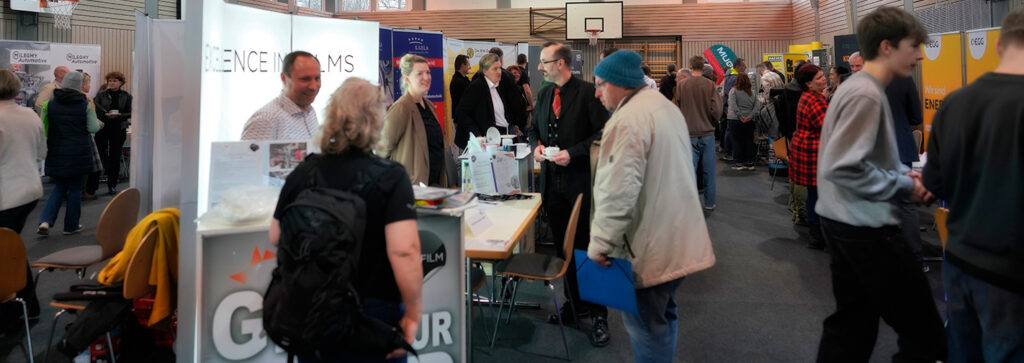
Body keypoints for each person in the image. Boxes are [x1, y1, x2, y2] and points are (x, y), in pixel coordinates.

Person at [814, 7, 945, 362]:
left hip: (845, 221)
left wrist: (900, 176)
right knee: (926, 335)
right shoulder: (865, 94)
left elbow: (849, 161)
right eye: (913, 46)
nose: (919, 55)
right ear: (887, 46)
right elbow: (844, 168)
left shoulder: (856, 88)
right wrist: (904, 185)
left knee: (851, 329)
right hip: (865, 229)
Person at [269, 77, 423, 363]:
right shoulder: (390, 175)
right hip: (372, 312)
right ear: (377, 118)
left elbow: (276, 235)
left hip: (312, 310)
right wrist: (413, 314)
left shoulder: (305, 172)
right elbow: (405, 250)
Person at [589, 49, 715, 363]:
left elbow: (617, 190)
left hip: (650, 242)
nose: (597, 92)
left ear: (621, 84)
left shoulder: (628, 120)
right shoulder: (663, 107)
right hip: (677, 233)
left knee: (646, 327)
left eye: (601, 84)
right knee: (663, 317)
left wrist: (601, 242)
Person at [922, 9, 1024, 362]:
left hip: (960, 259)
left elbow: (932, 184)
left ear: (997, 45)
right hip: (1011, 272)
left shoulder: (954, 103)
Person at [529, 42, 610, 347]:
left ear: (561, 63)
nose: (540, 67)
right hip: (553, 186)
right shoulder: (545, 94)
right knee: (564, 250)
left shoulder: (588, 93)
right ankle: (574, 307)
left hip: (581, 184)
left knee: (588, 250)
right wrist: (536, 147)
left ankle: (600, 315)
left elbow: (602, 133)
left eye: (544, 62)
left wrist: (572, 154)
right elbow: (533, 129)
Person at [0, 69, 45, 322]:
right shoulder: (29, 115)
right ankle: (27, 305)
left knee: (7, 250)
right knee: (10, 247)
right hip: (29, 191)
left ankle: (14, 311)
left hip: (6, 196)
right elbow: (41, 154)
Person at [37, 71, 101, 236]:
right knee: (74, 189)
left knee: (58, 187)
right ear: (80, 86)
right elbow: (93, 128)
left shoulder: (49, 103)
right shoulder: (85, 104)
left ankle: (45, 220)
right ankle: (71, 226)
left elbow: (44, 128)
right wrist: (99, 123)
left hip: (56, 150)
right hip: (78, 151)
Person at [378, 54, 449, 187]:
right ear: (407, 79)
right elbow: (381, 149)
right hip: (412, 189)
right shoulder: (401, 108)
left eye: (428, 72)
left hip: (433, 185)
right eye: (419, 74)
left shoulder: (429, 106)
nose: (426, 77)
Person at [885, 75, 926, 269]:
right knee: (906, 203)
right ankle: (914, 259)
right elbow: (916, 117)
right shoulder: (903, 79)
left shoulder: (860, 79)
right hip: (900, 147)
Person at [787, 64, 828, 249]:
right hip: (814, 152)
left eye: (823, 75)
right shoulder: (815, 100)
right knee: (817, 194)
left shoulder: (808, 97)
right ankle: (818, 235)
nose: (824, 79)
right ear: (808, 83)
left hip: (805, 149)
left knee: (814, 193)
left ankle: (816, 233)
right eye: (819, 78)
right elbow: (827, 128)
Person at [675, 56, 722, 210]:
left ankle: (690, 203)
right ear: (703, 67)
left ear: (690, 66)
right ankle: (709, 203)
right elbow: (717, 110)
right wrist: (714, 121)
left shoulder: (682, 85)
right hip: (707, 133)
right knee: (709, 171)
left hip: (688, 133)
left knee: (689, 171)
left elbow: (677, 108)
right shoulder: (710, 85)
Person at [241, 51, 321, 140]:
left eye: (317, 78)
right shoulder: (266, 120)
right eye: (305, 79)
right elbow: (247, 154)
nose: (313, 87)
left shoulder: (310, 112)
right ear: (284, 78)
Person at [454, 53, 525, 148]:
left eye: (499, 68)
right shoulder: (476, 87)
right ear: (485, 71)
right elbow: (461, 113)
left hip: (501, 135)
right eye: (495, 69)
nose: (499, 72)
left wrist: (510, 122)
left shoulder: (499, 85)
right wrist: (477, 134)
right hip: (483, 140)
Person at [88, 71, 132, 196]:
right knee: (99, 156)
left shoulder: (126, 96)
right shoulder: (101, 95)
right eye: (110, 81)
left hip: (119, 128)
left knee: (115, 157)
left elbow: (131, 111)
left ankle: (112, 185)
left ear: (121, 83)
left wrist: (120, 115)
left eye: (114, 81)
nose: (111, 83)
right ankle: (92, 187)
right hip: (103, 128)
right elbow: (95, 108)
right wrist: (105, 114)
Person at [726, 73, 759, 171]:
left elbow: (733, 105)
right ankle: (750, 163)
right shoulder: (752, 92)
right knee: (749, 140)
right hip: (749, 120)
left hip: (735, 119)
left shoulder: (733, 91)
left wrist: (741, 116)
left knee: (736, 141)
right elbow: (757, 106)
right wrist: (749, 116)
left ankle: (739, 163)